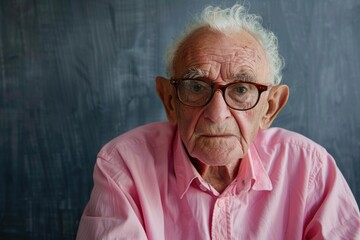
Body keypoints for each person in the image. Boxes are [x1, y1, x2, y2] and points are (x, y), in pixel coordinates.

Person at [77, 4, 360, 239]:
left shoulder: (310, 169)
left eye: (240, 90)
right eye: (197, 87)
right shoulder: (123, 166)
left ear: (269, 108)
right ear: (170, 101)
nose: (217, 114)